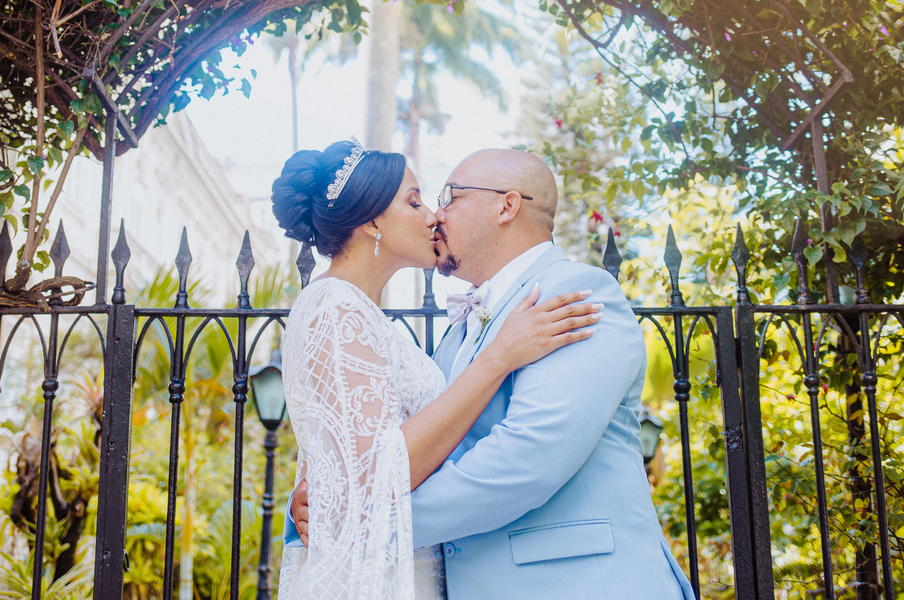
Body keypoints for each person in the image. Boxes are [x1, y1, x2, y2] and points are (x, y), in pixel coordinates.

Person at [289, 147, 696, 600]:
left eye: (450, 197)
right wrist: (327, 491)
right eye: (422, 200)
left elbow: (527, 458)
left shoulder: (574, 294)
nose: (436, 215)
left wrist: (354, 517)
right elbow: (396, 449)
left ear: (507, 205)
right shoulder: (452, 335)